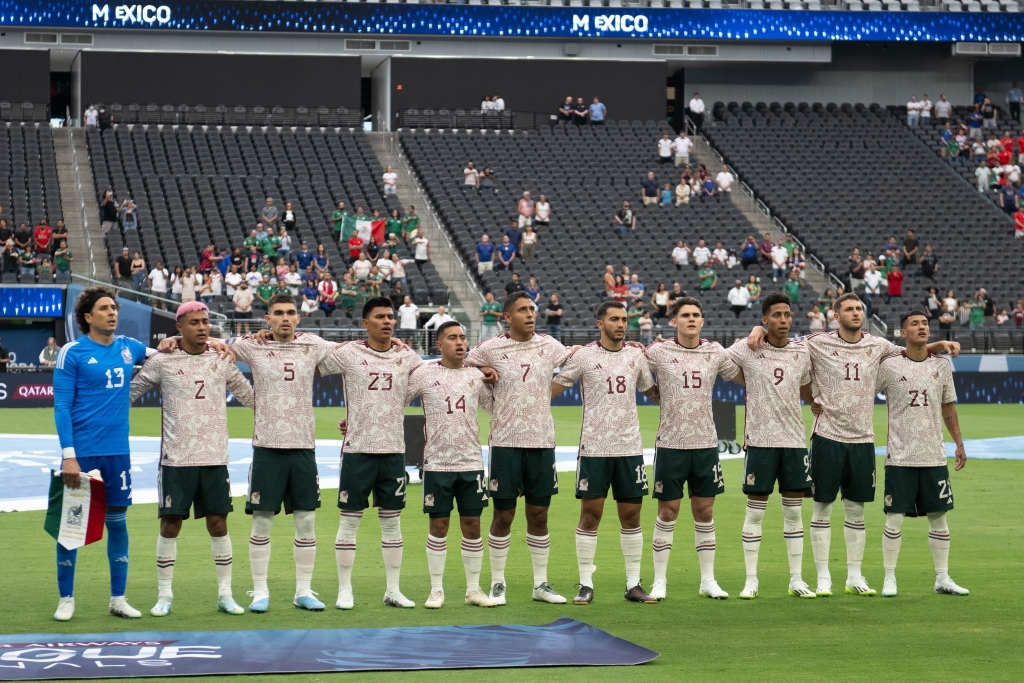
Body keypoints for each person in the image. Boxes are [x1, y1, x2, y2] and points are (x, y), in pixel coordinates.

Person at [744, 293, 959, 598]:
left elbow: (911, 350)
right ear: (836, 315)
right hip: (827, 437)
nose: (856, 312)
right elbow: (782, 339)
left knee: (856, 510)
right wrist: (758, 329)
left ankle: (854, 576)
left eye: (859, 308)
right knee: (821, 508)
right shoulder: (816, 341)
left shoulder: (878, 345)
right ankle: (823, 578)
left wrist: (938, 345)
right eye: (849, 309)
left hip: (863, 440)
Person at [129, 302, 255, 617]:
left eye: (205, 322)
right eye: (195, 322)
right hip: (176, 459)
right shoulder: (163, 361)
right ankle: (164, 596)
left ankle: (226, 595)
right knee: (170, 526)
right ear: (179, 327)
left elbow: (250, 396)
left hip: (214, 458)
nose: (202, 327)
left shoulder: (222, 359)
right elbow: (130, 393)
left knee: (219, 524)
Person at [52, 287, 161, 621]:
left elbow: (166, 354)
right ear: (88, 317)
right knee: (72, 528)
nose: (112, 312)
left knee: (117, 524)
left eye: (114, 307)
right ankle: (66, 598)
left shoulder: (129, 348)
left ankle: (118, 598)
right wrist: (69, 456)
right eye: (104, 308)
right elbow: (61, 406)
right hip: (82, 455)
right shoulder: (72, 352)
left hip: (118, 454)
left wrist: (180, 345)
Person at [465, 292, 572, 606]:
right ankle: (498, 583)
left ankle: (541, 584)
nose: (530, 314)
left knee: (539, 515)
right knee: (504, 515)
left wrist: (625, 347)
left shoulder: (550, 345)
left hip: (541, 441)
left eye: (532, 309)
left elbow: (579, 360)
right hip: (505, 443)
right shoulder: (491, 348)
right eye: (522, 310)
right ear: (507, 317)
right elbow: (459, 367)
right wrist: (482, 376)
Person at [551, 301, 661, 605]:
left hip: (629, 448)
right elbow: (555, 387)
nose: (621, 324)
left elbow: (652, 392)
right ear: (600, 323)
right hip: (594, 448)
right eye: (614, 319)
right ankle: (585, 583)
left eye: (624, 319)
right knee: (590, 516)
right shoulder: (584, 356)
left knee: (631, 516)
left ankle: (633, 584)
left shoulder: (636, 355)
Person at [318, 298, 424, 609]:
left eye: (391, 317)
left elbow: (434, 377)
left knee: (392, 522)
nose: (388, 321)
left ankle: (393, 590)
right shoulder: (349, 353)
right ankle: (344, 590)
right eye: (380, 317)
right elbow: (309, 358)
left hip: (393, 451)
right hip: (357, 450)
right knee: (350, 521)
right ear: (366, 323)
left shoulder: (408, 357)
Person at [643, 297, 741, 600]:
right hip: (671, 443)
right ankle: (659, 581)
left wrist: (756, 337)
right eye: (685, 315)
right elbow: (635, 372)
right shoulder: (658, 352)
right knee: (668, 511)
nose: (691, 319)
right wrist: (655, 393)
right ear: (674, 321)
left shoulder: (714, 352)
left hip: (706, 443)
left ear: (702, 321)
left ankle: (707, 580)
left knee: (705, 510)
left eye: (696, 315)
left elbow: (742, 372)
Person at [400, 322, 498, 609]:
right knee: (438, 526)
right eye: (452, 338)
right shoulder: (424, 373)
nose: (460, 342)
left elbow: (493, 407)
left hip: (470, 462)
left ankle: (473, 590)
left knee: (472, 525)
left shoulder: (476, 376)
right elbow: (397, 400)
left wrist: (493, 380)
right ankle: (436, 590)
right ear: (439, 345)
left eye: (463, 338)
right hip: (437, 463)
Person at [727, 293, 816, 600]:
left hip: (793, 441)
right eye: (776, 315)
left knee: (793, 514)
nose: (783, 320)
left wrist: (814, 403)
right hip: (760, 441)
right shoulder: (747, 348)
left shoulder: (801, 352)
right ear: (765, 319)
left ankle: (796, 579)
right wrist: (754, 331)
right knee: (755, 513)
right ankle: (751, 579)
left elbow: (804, 384)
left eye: (787, 315)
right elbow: (719, 363)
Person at [877, 311, 968, 598]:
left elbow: (948, 407)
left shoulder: (941, 366)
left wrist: (959, 443)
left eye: (925, 323)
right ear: (902, 332)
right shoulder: (889, 366)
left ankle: (942, 578)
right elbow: (863, 389)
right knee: (894, 518)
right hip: (900, 456)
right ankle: (889, 578)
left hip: (934, 456)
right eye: (914, 324)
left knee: (939, 518)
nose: (921, 327)